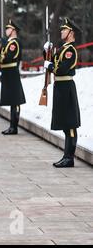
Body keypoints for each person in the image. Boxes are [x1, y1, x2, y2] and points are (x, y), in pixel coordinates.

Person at [43, 18, 81, 168]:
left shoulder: (70, 50)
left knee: (70, 124)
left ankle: (69, 158)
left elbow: (61, 69)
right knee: (66, 124)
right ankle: (66, 156)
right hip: (60, 87)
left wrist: (50, 65)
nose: (61, 32)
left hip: (66, 87)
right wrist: (46, 51)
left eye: (64, 30)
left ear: (71, 32)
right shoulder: (63, 48)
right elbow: (51, 59)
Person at [0, 19, 26, 135]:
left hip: (12, 73)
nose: (6, 30)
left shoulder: (14, 43)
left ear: (13, 30)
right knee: (12, 101)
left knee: (15, 101)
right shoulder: (9, 42)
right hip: (8, 73)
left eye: (8, 29)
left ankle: (14, 127)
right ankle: (12, 126)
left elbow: (7, 57)